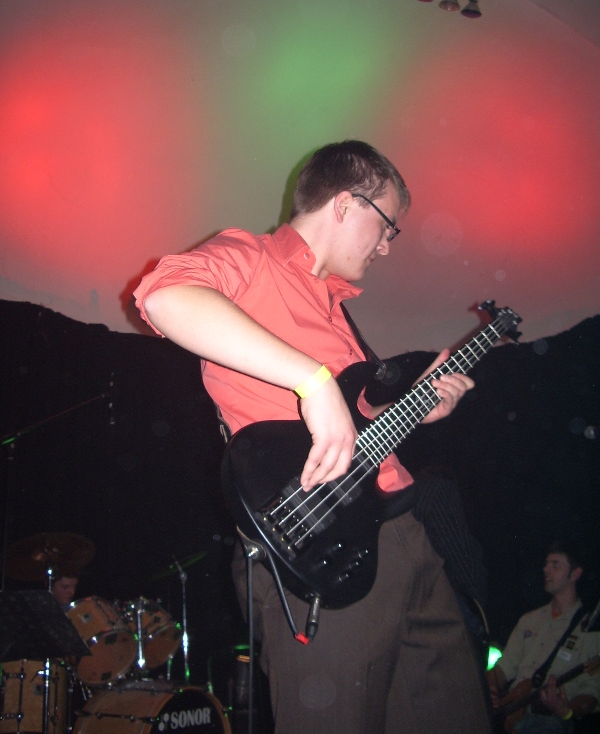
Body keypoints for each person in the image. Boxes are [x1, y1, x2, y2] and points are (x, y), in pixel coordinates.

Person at [134, 140, 492, 733]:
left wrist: (414, 407)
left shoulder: (335, 305)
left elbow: (356, 419)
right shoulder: (251, 257)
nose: (386, 245)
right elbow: (165, 296)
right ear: (347, 204)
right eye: (387, 226)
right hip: (321, 545)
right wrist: (312, 380)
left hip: (402, 533)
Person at [487, 541, 600, 733]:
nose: (546, 569)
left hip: (549, 719)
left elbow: (591, 695)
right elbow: (502, 670)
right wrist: (488, 687)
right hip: (512, 712)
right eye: (547, 563)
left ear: (575, 574)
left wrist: (566, 711)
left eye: (555, 565)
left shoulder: (589, 630)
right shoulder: (529, 620)